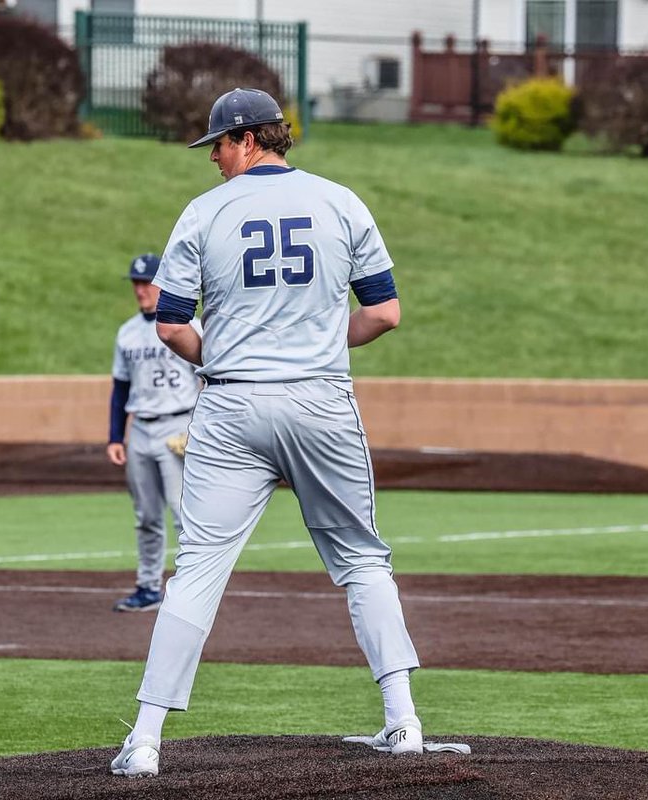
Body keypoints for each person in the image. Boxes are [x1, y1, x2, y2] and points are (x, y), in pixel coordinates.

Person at [111, 88, 423, 779]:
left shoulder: (203, 213)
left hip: (231, 406)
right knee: (363, 560)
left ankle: (145, 739)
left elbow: (169, 324)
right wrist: (311, 339)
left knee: (196, 569)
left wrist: (222, 354)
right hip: (320, 401)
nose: (213, 157)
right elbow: (386, 314)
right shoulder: (342, 201)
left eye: (217, 144)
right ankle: (403, 722)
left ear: (248, 138)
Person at [106, 253, 202, 612]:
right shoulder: (128, 332)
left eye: (146, 282)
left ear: (163, 283)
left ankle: (191, 592)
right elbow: (120, 388)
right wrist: (116, 437)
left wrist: (200, 427)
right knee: (146, 515)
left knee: (183, 514)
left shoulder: (188, 324)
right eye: (136, 282)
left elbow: (210, 377)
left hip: (179, 423)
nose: (140, 289)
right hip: (141, 430)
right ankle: (148, 587)